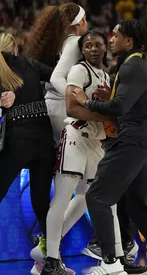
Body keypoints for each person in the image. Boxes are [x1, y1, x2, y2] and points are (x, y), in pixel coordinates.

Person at [72, 19, 147, 275]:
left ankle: (110, 263)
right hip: (144, 139)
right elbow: (124, 101)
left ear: (129, 41)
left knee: (97, 196)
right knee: (137, 205)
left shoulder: (133, 65)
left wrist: (87, 101)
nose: (111, 40)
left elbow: (120, 107)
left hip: (133, 138)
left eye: (115, 35)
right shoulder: (133, 65)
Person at [32, 31, 113, 275]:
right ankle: (51, 261)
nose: (93, 49)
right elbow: (71, 107)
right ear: (83, 50)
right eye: (88, 46)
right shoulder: (79, 70)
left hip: (97, 142)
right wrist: (103, 114)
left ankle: (47, 249)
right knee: (62, 198)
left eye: (98, 45)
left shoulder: (106, 76)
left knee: (88, 197)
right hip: (76, 137)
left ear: (105, 48)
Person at [0, 33, 56, 270]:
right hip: (44, 143)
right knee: (42, 203)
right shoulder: (32, 65)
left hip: (17, 143)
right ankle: (53, 257)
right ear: (15, 49)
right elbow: (60, 77)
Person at [25, 3, 88, 145]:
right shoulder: (75, 43)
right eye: (86, 18)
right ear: (81, 21)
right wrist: (77, 99)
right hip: (63, 108)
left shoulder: (58, 41)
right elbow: (56, 77)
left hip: (50, 104)